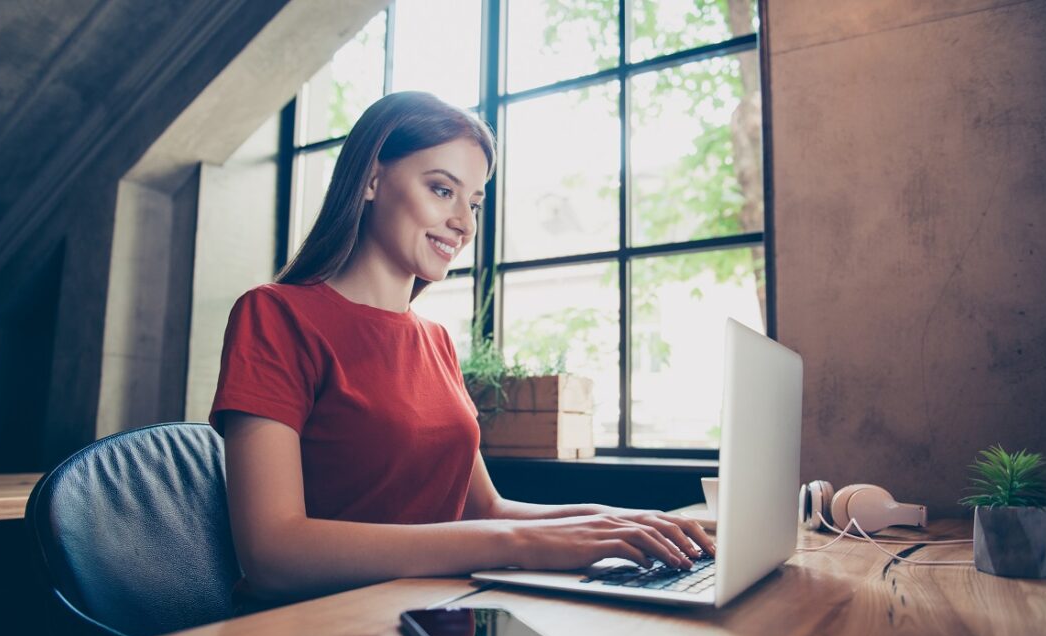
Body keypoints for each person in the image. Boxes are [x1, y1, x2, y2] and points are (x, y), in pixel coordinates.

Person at [210, 91, 714, 603]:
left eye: (473, 202)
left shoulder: (435, 342)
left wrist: (617, 521)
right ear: (371, 180)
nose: (465, 224)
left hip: (432, 615)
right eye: (441, 190)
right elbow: (272, 551)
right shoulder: (275, 315)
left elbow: (487, 510)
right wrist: (519, 541)